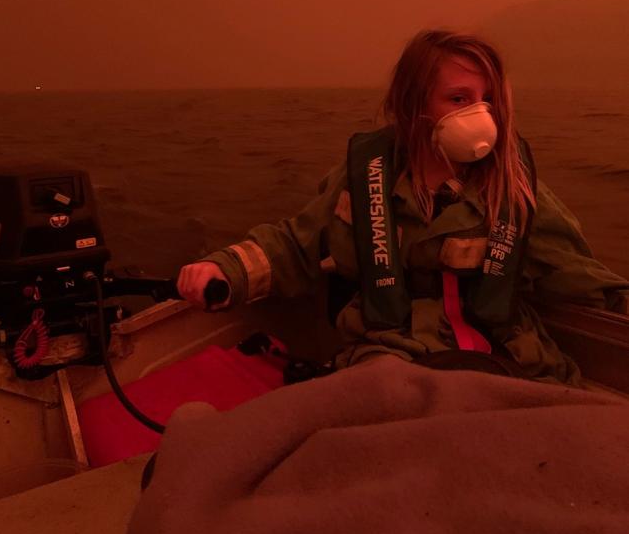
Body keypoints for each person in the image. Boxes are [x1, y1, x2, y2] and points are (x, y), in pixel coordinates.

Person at [177, 29, 629, 386]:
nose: (481, 114)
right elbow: (296, 246)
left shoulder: (514, 187)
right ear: (413, 105)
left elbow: (577, 273)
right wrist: (227, 269)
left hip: (507, 355)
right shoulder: (364, 179)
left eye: (487, 100)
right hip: (394, 357)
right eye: (459, 99)